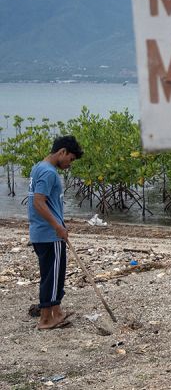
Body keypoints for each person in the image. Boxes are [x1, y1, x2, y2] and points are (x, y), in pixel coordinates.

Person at [27, 135, 83, 330]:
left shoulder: (39, 167)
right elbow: (38, 202)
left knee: (55, 273)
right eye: (71, 159)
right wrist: (57, 226)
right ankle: (45, 319)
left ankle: (57, 312)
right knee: (52, 276)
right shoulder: (49, 172)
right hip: (49, 234)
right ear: (62, 152)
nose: (70, 164)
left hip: (42, 232)